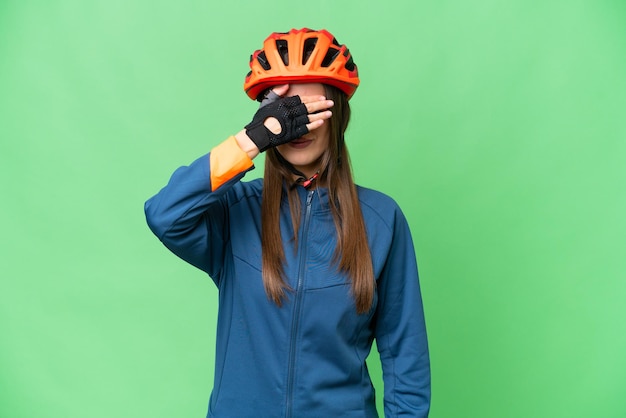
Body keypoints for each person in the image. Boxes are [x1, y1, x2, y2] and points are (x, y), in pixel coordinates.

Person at [145, 28, 430, 418]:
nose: (297, 125)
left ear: (337, 116)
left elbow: (404, 353)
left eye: (310, 110)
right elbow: (165, 214)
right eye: (284, 109)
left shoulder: (381, 218)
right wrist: (252, 139)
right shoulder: (236, 209)